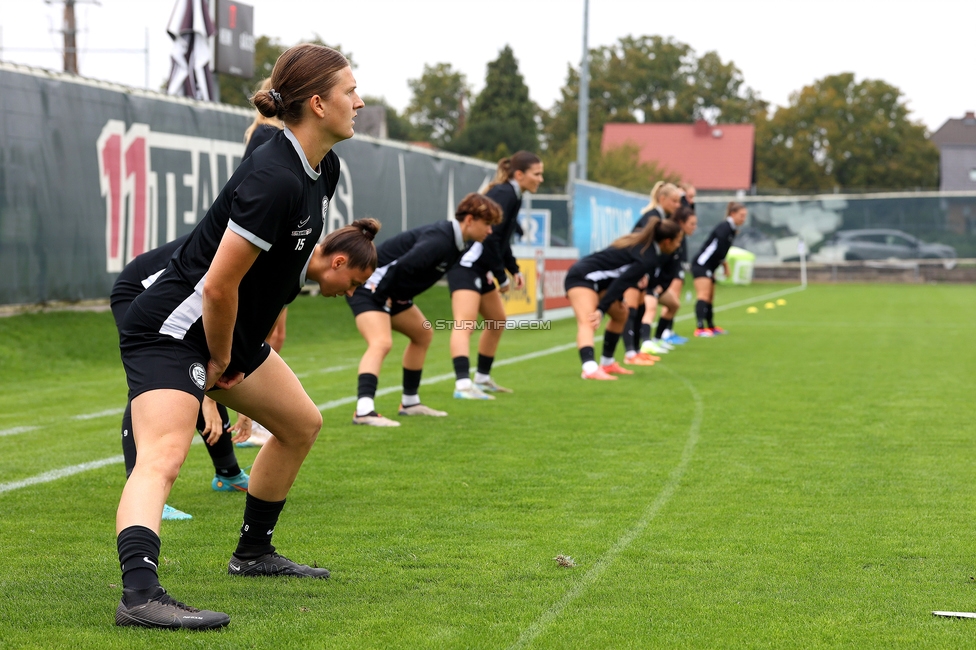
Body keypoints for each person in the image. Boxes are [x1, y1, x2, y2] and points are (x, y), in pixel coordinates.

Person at [113, 43, 374, 630]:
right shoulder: (273, 176)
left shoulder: (321, 168)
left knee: (301, 424)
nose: (359, 101)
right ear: (317, 102)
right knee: (163, 457)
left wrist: (246, 341)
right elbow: (219, 285)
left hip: (226, 333)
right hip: (174, 329)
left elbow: (278, 269)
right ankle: (139, 595)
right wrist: (219, 361)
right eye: (350, 91)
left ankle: (253, 553)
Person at [110, 235, 251, 522]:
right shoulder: (247, 236)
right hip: (138, 292)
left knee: (195, 374)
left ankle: (228, 473)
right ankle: (144, 491)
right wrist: (207, 401)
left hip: (180, 300)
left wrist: (239, 405)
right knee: (153, 382)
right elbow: (210, 304)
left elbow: (235, 336)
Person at [349, 193, 503, 426]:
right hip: (371, 285)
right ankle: (364, 410)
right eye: (487, 224)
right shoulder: (440, 240)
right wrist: (383, 297)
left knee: (423, 334)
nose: (490, 231)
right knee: (381, 342)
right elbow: (402, 266)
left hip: (391, 291)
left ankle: (410, 402)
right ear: (470, 220)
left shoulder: (459, 242)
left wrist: (399, 297)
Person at [446, 151, 543, 399]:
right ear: (519, 174)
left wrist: (514, 269)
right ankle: (462, 386)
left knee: (497, 319)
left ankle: (482, 378)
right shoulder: (504, 194)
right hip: (467, 264)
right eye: (537, 174)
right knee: (464, 324)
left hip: (482, 265)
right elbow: (490, 239)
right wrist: (501, 275)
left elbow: (500, 240)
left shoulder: (514, 195)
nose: (541, 179)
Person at [565, 217, 683, 379]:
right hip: (583, 277)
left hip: (600, 281)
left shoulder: (647, 250)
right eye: (678, 241)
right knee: (589, 320)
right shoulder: (647, 256)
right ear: (667, 242)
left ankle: (607, 363)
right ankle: (590, 368)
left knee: (621, 313)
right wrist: (601, 309)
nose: (679, 245)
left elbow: (619, 277)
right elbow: (621, 282)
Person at [237, 77, 286, 449]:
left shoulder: (274, 135)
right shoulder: (266, 137)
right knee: (255, 338)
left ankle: (250, 420)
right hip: (261, 253)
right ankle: (246, 422)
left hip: (274, 253)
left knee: (274, 336)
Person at [621, 183, 681, 362]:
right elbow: (640, 245)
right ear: (662, 199)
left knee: (640, 309)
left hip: (642, 269)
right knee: (630, 310)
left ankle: (637, 350)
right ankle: (630, 353)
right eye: (674, 201)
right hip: (633, 266)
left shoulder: (660, 218)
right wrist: (641, 271)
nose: (677, 205)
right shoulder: (652, 217)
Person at [644, 205, 698, 349]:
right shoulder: (668, 240)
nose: (694, 227)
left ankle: (657, 339)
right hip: (649, 284)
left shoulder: (679, 240)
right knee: (650, 309)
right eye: (692, 224)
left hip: (660, 285)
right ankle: (645, 343)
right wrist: (654, 285)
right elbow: (655, 264)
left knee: (674, 304)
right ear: (681, 222)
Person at [692, 201, 748, 337]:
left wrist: (721, 266)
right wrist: (725, 265)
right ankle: (699, 329)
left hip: (710, 266)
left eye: (745, 216)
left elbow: (721, 252)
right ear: (732, 214)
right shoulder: (725, 227)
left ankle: (711, 327)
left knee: (710, 297)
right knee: (703, 295)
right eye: (741, 215)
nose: (743, 219)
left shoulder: (732, 229)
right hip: (701, 264)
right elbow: (718, 250)